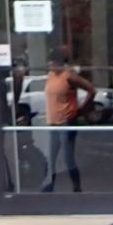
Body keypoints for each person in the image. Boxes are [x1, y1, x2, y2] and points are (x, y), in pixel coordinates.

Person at [39, 50, 94, 193]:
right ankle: (48, 186)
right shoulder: (51, 76)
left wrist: (81, 109)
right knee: (50, 155)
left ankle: (77, 187)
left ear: (59, 64)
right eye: (49, 65)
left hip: (66, 120)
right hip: (53, 121)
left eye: (52, 64)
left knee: (67, 157)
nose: (50, 67)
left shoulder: (69, 76)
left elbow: (90, 89)